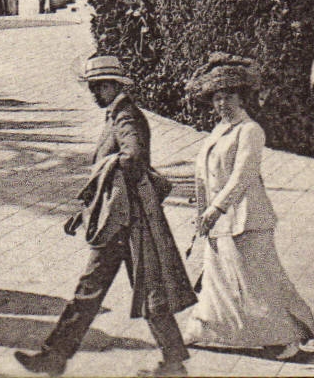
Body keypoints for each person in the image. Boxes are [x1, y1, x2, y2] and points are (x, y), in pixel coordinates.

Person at [16, 55, 194, 377]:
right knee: (125, 289)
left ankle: (56, 358)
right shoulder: (117, 115)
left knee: (113, 289)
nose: (93, 94)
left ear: (112, 86)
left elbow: (133, 158)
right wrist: (86, 212)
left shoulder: (126, 118)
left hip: (128, 222)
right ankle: (172, 362)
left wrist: (107, 173)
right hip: (124, 220)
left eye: (97, 88)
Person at [183, 54, 314, 358]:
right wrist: (202, 214)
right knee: (219, 282)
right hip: (219, 221)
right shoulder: (218, 131)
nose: (222, 104)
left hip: (248, 218)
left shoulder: (250, 131)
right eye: (217, 98)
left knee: (260, 281)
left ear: (242, 97)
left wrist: (215, 208)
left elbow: (242, 175)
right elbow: (204, 176)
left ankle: (289, 338)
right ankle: (205, 330)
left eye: (229, 96)